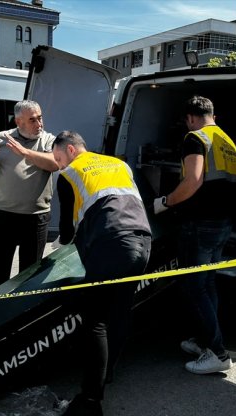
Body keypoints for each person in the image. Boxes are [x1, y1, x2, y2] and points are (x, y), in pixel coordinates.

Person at [52, 131, 152, 415]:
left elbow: (68, 231)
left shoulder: (69, 174)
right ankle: (108, 372)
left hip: (110, 243)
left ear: (70, 150)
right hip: (142, 241)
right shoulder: (119, 164)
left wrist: (58, 245)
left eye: (58, 158)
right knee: (120, 311)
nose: (59, 165)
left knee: (94, 320)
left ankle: (90, 400)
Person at [154, 96, 236, 375]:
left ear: (191, 118)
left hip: (200, 224)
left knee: (194, 287)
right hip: (222, 224)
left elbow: (193, 180)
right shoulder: (226, 140)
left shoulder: (195, 138)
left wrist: (165, 202)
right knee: (207, 285)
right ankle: (206, 342)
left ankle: (217, 353)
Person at [0, 100, 58, 293]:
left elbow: (54, 163)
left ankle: (23, 313)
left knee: (30, 273)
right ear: (19, 122)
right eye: (32, 120)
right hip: (4, 214)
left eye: (40, 118)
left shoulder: (48, 139)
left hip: (36, 216)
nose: (39, 124)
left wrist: (24, 152)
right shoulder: (2, 138)